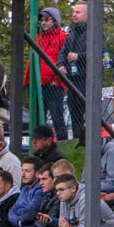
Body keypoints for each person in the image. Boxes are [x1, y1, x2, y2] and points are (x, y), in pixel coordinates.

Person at [25, 8, 68, 140]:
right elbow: (31, 61)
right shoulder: (37, 38)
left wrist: (58, 80)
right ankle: (38, 144)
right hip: (38, 85)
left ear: (55, 21)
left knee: (57, 118)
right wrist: (27, 82)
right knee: (37, 119)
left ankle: (62, 143)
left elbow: (64, 61)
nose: (43, 23)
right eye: (42, 20)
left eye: (47, 20)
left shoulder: (63, 38)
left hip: (54, 85)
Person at [56, 0, 89, 144]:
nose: (74, 15)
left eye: (78, 12)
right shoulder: (72, 33)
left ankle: (87, 140)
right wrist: (61, 64)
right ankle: (77, 140)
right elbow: (63, 51)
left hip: (86, 79)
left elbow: (99, 53)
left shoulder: (94, 32)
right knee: (74, 113)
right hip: (72, 80)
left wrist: (79, 57)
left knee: (87, 112)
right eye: (73, 12)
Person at [8, 157, 45, 227]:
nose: (23, 174)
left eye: (27, 171)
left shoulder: (40, 189)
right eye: (22, 170)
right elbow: (11, 211)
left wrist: (20, 215)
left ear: (37, 173)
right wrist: (18, 222)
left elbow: (30, 213)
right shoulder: (24, 188)